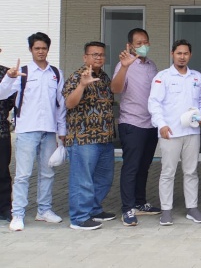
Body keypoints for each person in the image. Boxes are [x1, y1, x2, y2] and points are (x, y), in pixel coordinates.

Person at [0, 32, 65, 231]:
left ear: (48, 49)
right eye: (37, 48)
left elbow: (60, 105)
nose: (40, 51)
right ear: (31, 50)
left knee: (47, 173)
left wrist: (61, 130)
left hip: (48, 130)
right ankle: (18, 213)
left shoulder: (56, 72)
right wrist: (9, 78)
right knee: (23, 174)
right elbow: (2, 94)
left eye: (44, 48)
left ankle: (44, 210)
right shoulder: (23, 72)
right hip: (27, 130)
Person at [147, 39, 201, 226]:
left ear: (190, 55)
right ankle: (166, 210)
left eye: (186, 53)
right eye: (179, 53)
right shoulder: (162, 77)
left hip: (192, 132)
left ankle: (192, 208)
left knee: (191, 171)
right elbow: (154, 103)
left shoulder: (196, 77)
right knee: (168, 172)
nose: (182, 57)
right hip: (170, 132)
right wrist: (161, 125)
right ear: (172, 54)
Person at [63, 41, 115, 231]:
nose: (98, 57)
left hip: (105, 138)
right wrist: (82, 86)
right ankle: (79, 217)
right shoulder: (77, 76)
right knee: (82, 179)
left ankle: (93, 209)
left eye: (101, 54)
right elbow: (69, 103)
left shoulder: (104, 77)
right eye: (94, 54)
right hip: (84, 138)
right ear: (85, 57)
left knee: (104, 178)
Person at [111, 28, 160, 226]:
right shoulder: (124, 65)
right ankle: (127, 208)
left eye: (145, 42)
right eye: (138, 43)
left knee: (144, 166)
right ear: (129, 46)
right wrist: (124, 67)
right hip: (132, 123)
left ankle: (140, 203)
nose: (143, 46)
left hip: (151, 124)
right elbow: (115, 89)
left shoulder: (151, 65)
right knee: (131, 167)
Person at [0, 61, 13, 224]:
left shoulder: (7, 73)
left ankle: (4, 208)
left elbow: (11, 100)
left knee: (2, 171)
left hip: (1, 131)